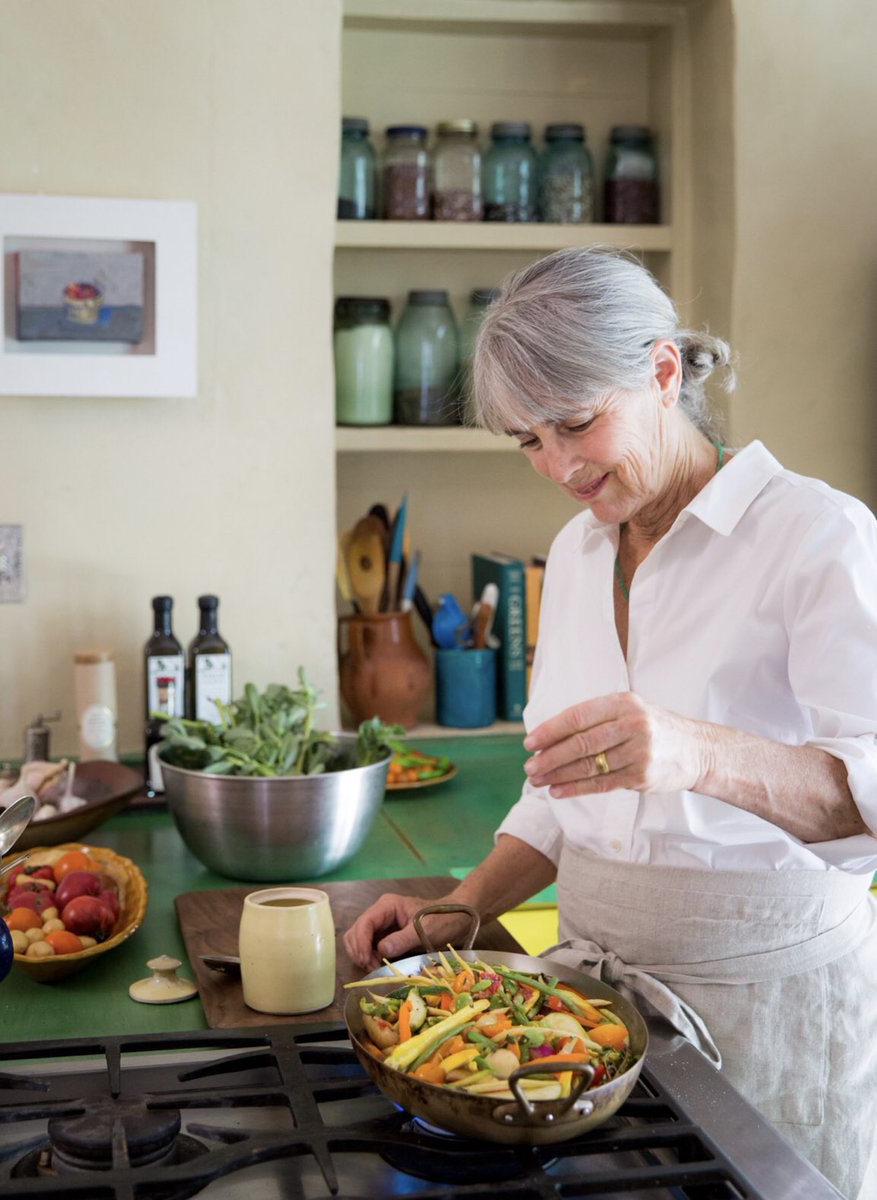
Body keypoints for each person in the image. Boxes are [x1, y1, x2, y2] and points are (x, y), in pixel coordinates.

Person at [344, 248, 877, 1200]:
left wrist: (694, 754)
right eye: (526, 441)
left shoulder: (818, 537)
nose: (557, 467)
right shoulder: (578, 553)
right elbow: (561, 791)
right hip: (591, 1023)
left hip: (774, 1013)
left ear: (663, 372)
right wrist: (456, 911)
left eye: (577, 424)